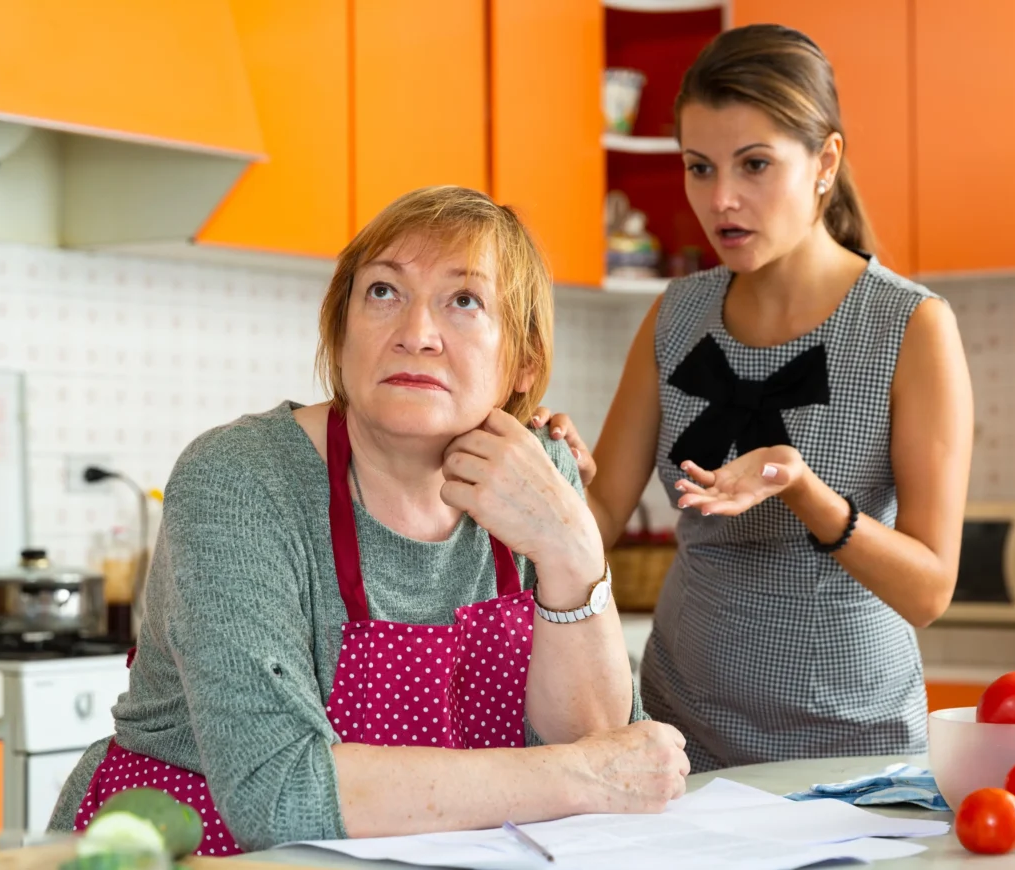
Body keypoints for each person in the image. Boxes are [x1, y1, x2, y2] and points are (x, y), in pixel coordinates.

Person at [48, 186, 689, 855]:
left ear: (523, 360)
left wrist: (572, 545)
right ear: (340, 331)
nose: (416, 334)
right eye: (384, 292)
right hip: (191, 850)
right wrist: (581, 775)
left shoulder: (537, 473)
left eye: (464, 300)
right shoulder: (238, 479)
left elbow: (603, 756)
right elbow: (279, 792)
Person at [536, 24, 974, 771]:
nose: (722, 199)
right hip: (684, 733)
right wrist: (554, 471)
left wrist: (802, 490)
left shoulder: (911, 327)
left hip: (855, 748)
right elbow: (601, 513)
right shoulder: (675, 313)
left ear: (825, 162)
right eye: (699, 167)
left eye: (756, 164)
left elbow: (929, 590)